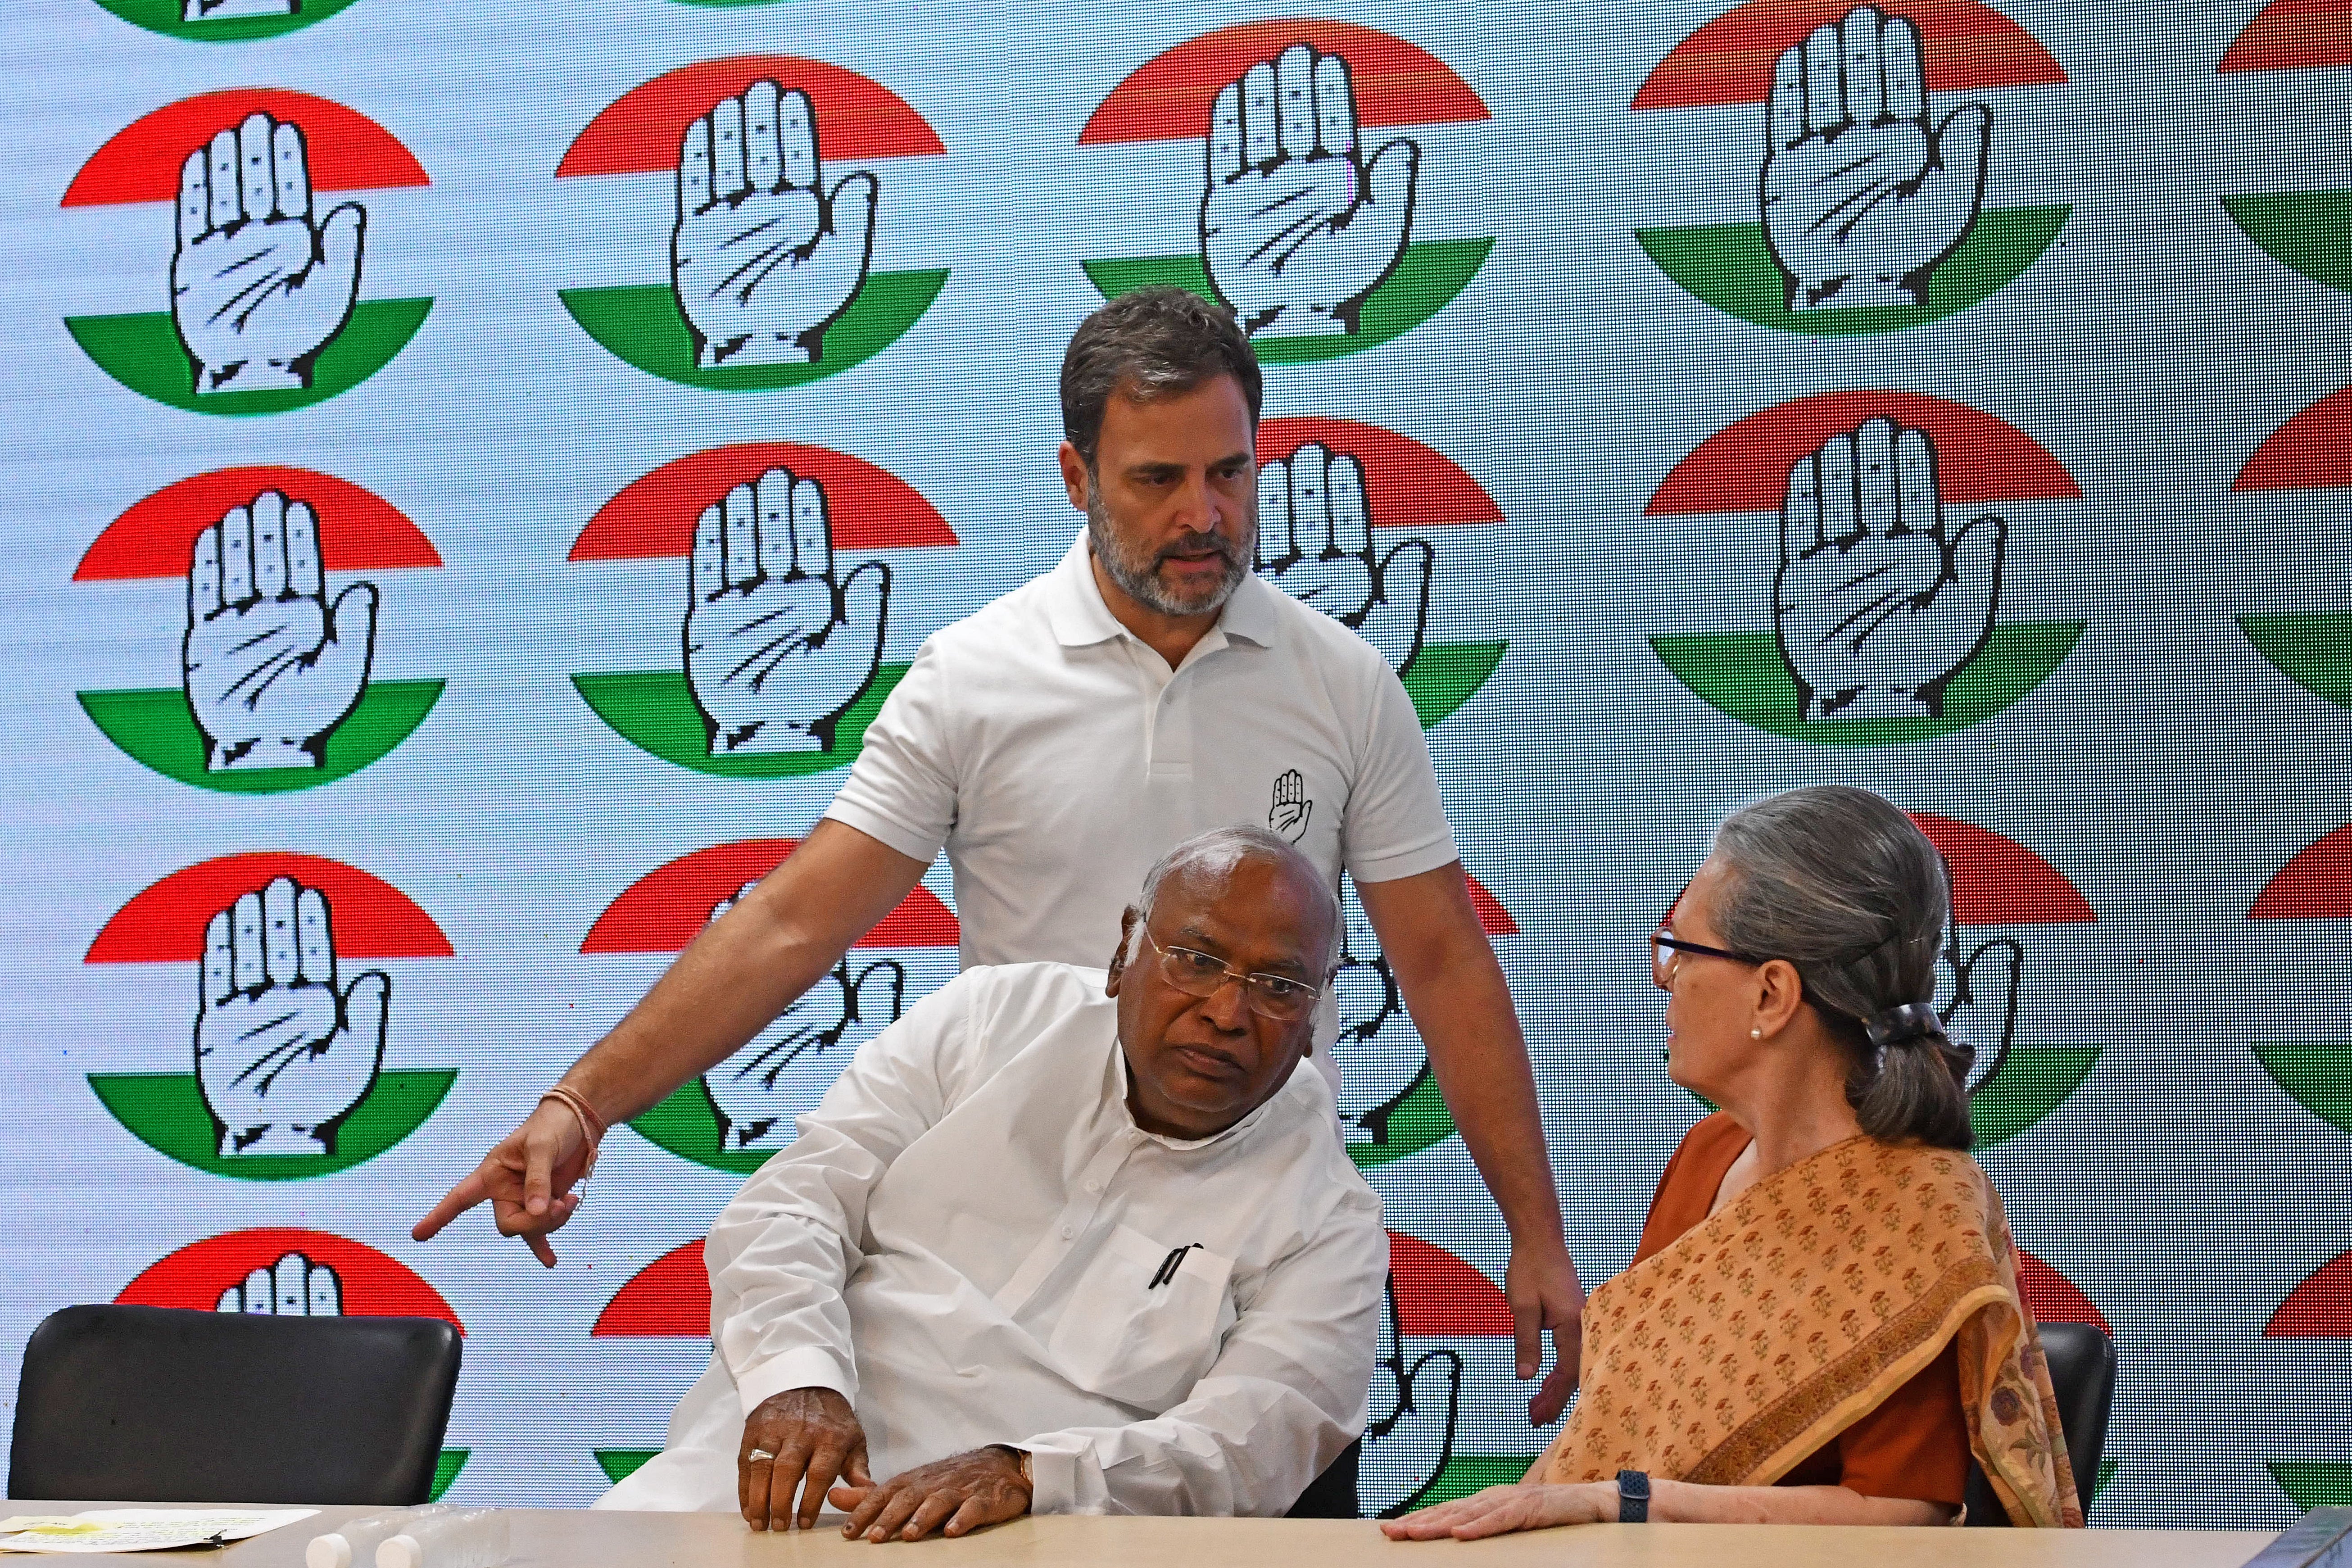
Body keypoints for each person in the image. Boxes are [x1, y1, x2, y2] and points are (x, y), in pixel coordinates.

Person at [414, 285, 1583, 1418]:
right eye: (1158, 480)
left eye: (1230, 474)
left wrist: (1536, 1232)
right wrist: (584, 1101)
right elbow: (794, 921)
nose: (1204, 516)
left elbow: (1438, 957)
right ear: (1076, 478)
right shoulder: (974, 678)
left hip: (1268, 1252)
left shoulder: (1343, 682)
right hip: (1024, 1275)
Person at [595, 827, 1387, 1538]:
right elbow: (793, 1202)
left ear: (1317, 1012)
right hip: (780, 1486)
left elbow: (1245, 1446)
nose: (1227, 1010)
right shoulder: (989, 1020)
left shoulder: (1330, 1220)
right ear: (1124, 952)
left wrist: (1031, 1474)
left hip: (1032, 1532)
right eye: (1198, 959)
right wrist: (796, 1378)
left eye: (1279, 986)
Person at [1384, 787, 2085, 1539]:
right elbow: (1612, 1434)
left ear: (1772, 992)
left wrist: (1623, 1501)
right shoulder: (1708, 1153)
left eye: (1683, 948)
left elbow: (1896, 1513)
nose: (1663, 974)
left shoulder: (1916, 1213)